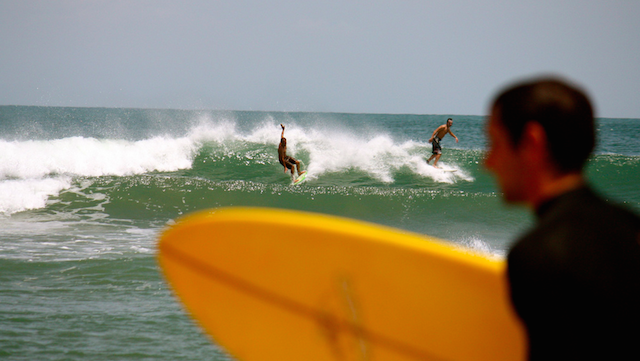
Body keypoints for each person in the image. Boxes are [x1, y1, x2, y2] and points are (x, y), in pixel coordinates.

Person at [485, 77, 640, 360]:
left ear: (532, 142)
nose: (488, 161)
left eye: (495, 143)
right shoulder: (631, 226)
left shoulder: (539, 255)